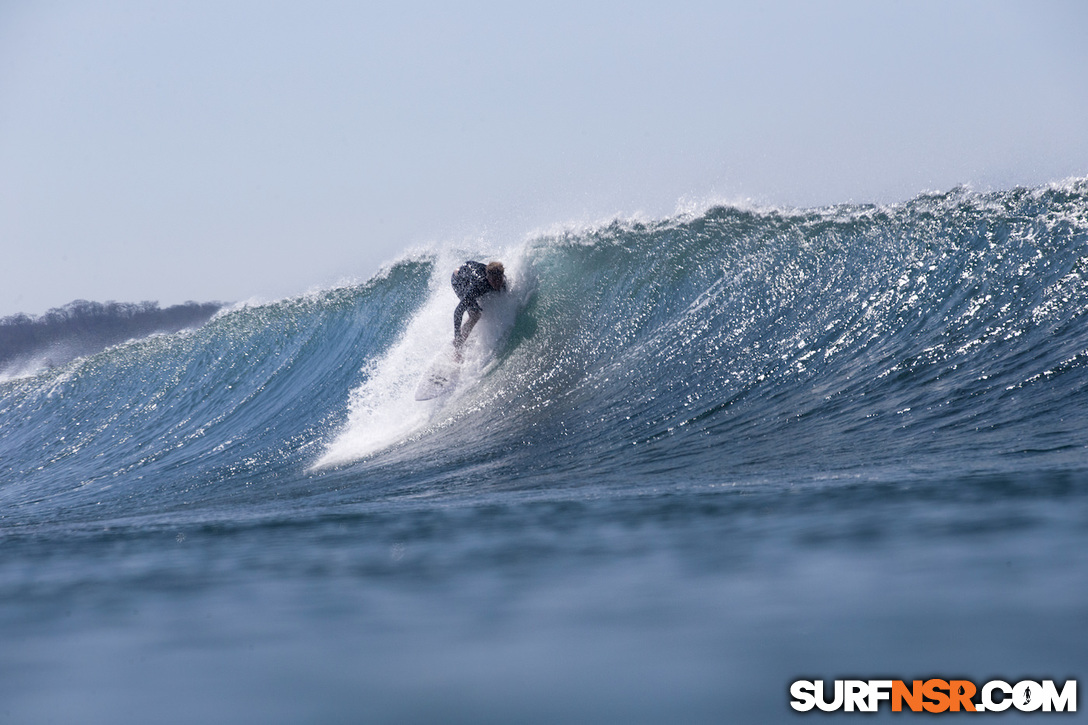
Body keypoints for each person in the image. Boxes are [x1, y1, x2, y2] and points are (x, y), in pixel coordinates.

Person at [451, 260, 506, 357]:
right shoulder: (478, 285)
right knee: (475, 315)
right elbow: (458, 311)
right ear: (488, 278)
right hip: (459, 279)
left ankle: (466, 336)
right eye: (494, 281)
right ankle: (457, 349)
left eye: (499, 280)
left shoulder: (501, 279)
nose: (497, 283)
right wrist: (457, 335)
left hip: (469, 272)